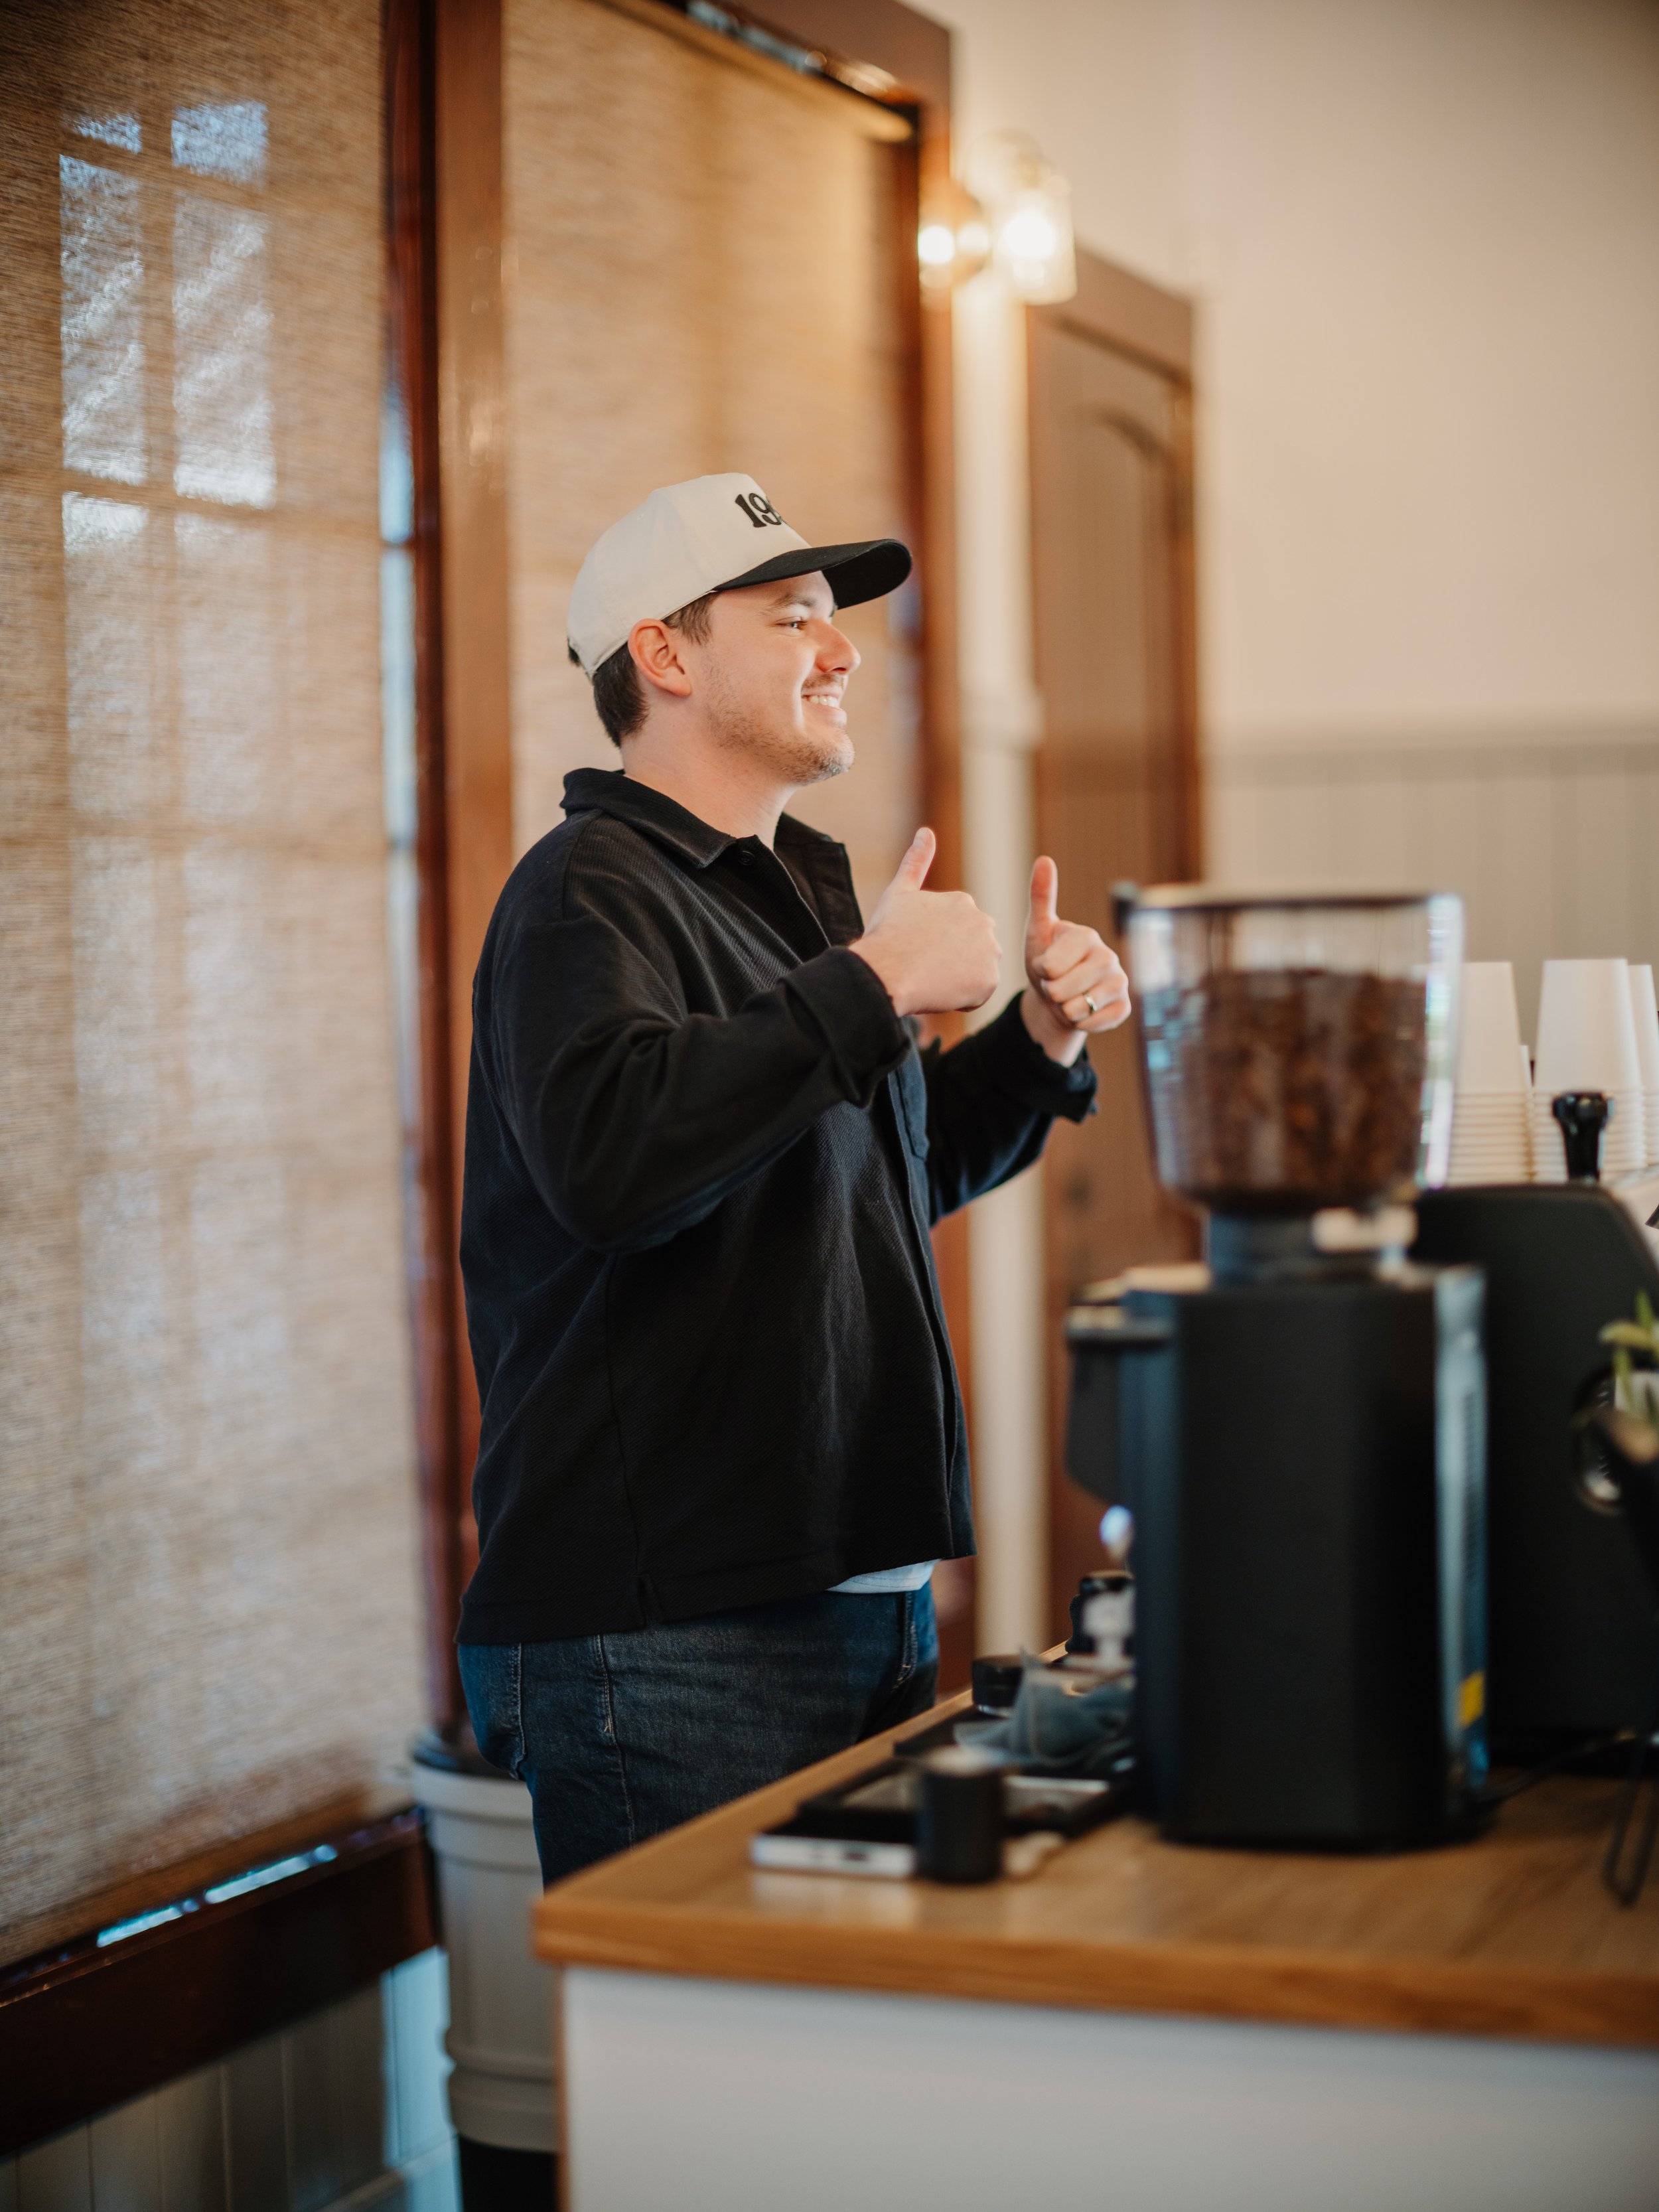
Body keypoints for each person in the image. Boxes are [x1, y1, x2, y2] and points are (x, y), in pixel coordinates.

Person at [456, 474, 1132, 1882]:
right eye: (794, 615)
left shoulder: (773, 898)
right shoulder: (586, 889)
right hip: (665, 1636)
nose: (840, 650)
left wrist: (1038, 1037)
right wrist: (876, 979)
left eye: (837, 619)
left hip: (849, 1599)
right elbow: (613, 1162)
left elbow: (878, 1170)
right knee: (702, 2090)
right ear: (664, 655)